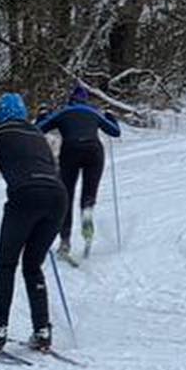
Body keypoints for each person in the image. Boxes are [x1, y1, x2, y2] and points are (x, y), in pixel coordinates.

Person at [0, 92, 67, 353]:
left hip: (26, 195)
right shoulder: (36, 132)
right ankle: (42, 331)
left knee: (6, 263)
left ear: (0, 113)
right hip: (57, 197)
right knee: (32, 265)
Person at [37, 84, 121, 261]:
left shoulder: (64, 112)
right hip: (94, 152)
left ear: (71, 100)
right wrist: (110, 116)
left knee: (65, 196)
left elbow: (39, 128)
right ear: (86, 100)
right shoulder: (93, 112)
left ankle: (65, 240)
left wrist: (42, 114)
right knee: (88, 194)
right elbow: (115, 131)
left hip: (71, 152)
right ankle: (87, 214)